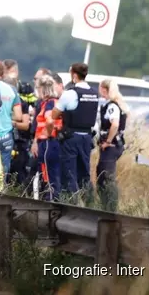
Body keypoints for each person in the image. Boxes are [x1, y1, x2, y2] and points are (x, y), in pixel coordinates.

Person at [51, 63, 99, 202]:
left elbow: (54, 114)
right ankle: (89, 205)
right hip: (87, 138)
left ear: (74, 75)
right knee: (84, 174)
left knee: (69, 173)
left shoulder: (71, 93)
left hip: (71, 137)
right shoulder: (94, 93)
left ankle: (70, 205)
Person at [96, 78, 129, 211]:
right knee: (102, 174)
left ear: (104, 89)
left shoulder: (112, 106)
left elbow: (115, 124)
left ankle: (111, 207)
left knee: (106, 177)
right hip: (116, 145)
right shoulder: (119, 104)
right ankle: (107, 205)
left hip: (111, 146)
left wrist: (108, 141)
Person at [31, 75, 62, 201]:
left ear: (43, 89)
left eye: (38, 88)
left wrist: (48, 134)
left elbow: (50, 121)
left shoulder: (50, 103)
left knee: (50, 175)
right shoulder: (49, 103)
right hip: (46, 142)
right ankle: (50, 198)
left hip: (48, 142)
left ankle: (52, 200)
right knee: (48, 174)